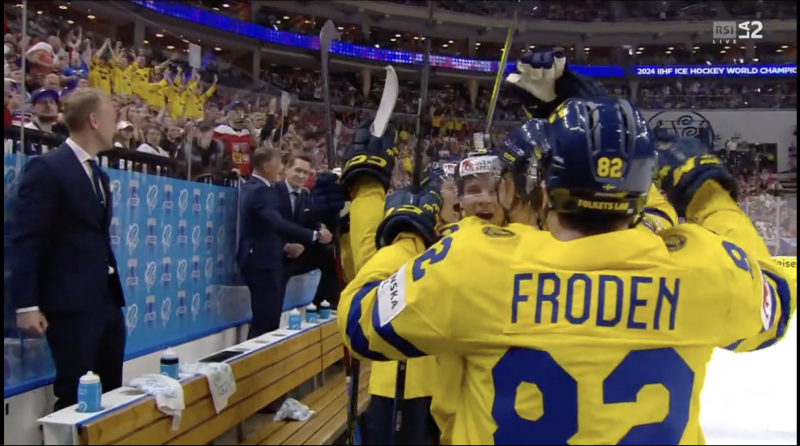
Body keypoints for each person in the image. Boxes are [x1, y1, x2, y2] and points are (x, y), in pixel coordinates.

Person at [337, 98, 796, 444]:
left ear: (540, 189)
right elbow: (776, 299)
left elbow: (360, 322)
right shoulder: (702, 265)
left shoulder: (474, 263)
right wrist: (707, 196)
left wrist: (403, 236)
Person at [10, 87, 126, 411]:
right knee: (76, 396)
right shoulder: (48, 169)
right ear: (93, 120)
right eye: (112, 117)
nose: (117, 125)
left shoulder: (99, 175)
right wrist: (26, 305)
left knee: (111, 393)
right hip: (70, 304)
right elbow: (27, 239)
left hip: (106, 301)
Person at [236, 148, 330, 339]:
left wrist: (319, 230)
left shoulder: (259, 188)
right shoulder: (262, 190)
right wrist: (312, 235)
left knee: (267, 320)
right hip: (264, 261)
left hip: (271, 261)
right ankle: (257, 365)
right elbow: (275, 223)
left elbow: (309, 219)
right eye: (279, 164)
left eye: (306, 172)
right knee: (265, 322)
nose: (278, 168)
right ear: (269, 166)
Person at [274, 154, 338, 306]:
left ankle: (320, 304)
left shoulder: (305, 195)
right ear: (287, 170)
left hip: (301, 251)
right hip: (278, 252)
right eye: (298, 170)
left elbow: (312, 220)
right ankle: (273, 315)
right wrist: (286, 247)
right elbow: (267, 227)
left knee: (331, 255)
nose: (301, 175)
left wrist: (321, 229)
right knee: (276, 268)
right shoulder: (273, 192)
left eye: (305, 172)